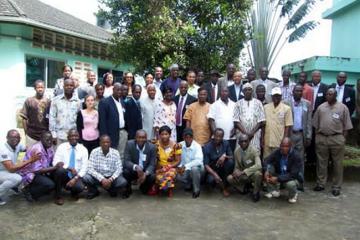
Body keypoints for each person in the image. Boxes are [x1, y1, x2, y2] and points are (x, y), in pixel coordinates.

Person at [312, 88, 353, 196]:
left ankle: (336, 186)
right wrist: (317, 137)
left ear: (335, 95)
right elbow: (315, 124)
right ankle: (321, 183)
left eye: (331, 94)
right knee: (321, 163)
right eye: (327, 94)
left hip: (336, 139)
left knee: (337, 164)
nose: (328, 96)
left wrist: (342, 139)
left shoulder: (343, 108)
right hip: (322, 138)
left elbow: (347, 127)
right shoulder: (321, 107)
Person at [0, 130, 39, 205]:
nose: (15, 139)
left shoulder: (18, 145)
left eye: (17, 137)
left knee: (25, 170)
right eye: (12, 137)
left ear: (20, 139)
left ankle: (14, 186)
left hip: (9, 171)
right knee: (17, 178)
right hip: (2, 172)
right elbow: (11, 169)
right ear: (7, 138)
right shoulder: (2, 150)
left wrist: (36, 150)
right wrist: (30, 160)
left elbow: (26, 149)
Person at [285, 84, 312, 190]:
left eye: (301, 91)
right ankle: (287, 182)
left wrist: (309, 136)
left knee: (300, 159)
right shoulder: (286, 103)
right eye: (297, 91)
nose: (299, 93)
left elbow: (309, 121)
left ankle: (300, 182)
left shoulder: (307, 104)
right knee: (288, 159)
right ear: (293, 91)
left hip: (301, 135)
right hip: (289, 135)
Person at [84, 135, 128, 199]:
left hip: (111, 177)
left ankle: (110, 188)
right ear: (100, 143)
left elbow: (119, 168)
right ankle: (94, 191)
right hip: (98, 177)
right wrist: (102, 179)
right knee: (86, 177)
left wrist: (110, 179)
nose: (105, 144)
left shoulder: (115, 152)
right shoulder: (94, 152)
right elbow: (90, 168)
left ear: (110, 143)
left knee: (122, 182)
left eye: (107, 142)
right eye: (103, 142)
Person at [19, 132, 58, 203]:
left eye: (51, 139)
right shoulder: (37, 149)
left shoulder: (49, 147)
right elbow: (37, 170)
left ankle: (41, 189)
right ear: (41, 139)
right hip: (30, 173)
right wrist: (55, 167)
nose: (49, 142)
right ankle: (29, 191)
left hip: (43, 170)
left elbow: (52, 160)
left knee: (57, 175)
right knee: (50, 185)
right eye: (47, 140)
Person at [52, 129, 88, 204]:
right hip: (64, 174)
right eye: (71, 136)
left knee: (80, 187)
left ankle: (73, 192)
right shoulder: (61, 147)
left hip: (75, 176)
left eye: (75, 136)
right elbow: (55, 162)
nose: (74, 138)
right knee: (60, 170)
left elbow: (84, 168)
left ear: (78, 137)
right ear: (68, 137)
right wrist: (69, 168)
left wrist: (75, 179)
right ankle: (58, 196)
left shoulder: (83, 149)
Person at [264, 137, 302, 203]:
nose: (284, 148)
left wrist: (277, 178)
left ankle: (293, 195)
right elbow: (267, 160)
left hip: (292, 178)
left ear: (290, 146)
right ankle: (275, 190)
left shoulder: (296, 156)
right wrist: (266, 170)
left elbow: (293, 174)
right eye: (282, 146)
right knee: (269, 169)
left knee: (290, 184)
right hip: (280, 174)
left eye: (286, 146)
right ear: (280, 146)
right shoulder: (277, 152)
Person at [227, 134, 262, 202]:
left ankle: (256, 192)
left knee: (258, 174)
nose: (244, 143)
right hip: (243, 175)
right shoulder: (237, 151)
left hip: (252, 173)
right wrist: (236, 172)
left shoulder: (254, 150)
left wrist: (243, 172)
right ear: (239, 142)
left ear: (249, 141)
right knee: (229, 178)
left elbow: (258, 165)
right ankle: (243, 188)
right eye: (242, 141)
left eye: (246, 141)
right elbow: (237, 166)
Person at [98, 83, 128, 160]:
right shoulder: (105, 102)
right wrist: (104, 136)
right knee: (110, 155)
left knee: (121, 155)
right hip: (110, 134)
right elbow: (102, 122)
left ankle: (119, 171)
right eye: (117, 90)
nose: (119, 92)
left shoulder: (122, 101)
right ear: (113, 89)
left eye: (121, 90)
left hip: (122, 132)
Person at [233, 83, 265, 151]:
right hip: (241, 134)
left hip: (254, 135)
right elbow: (236, 121)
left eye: (249, 89)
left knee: (254, 153)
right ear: (243, 92)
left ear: (252, 91)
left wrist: (251, 133)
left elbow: (261, 121)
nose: (247, 91)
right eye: (245, 90)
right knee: (240, 153)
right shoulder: (237, 104)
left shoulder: (258, 103)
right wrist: (245, 133)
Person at [123, 130, 156, 196]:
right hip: (134, 170)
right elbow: (126, 161)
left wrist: (145, 174)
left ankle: (143, 187)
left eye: (143, 137)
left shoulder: (152, 147)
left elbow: (152, 164)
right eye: (139, 137)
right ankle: (128, 189)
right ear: (135, 137)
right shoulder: (129, 144)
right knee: (125, 171)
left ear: (146, 138)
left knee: (153, 176)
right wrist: (136, 167)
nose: (141, 139)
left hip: (145, 171)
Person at [49, 78, 81, 146]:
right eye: (67, 85)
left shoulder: (78, 102)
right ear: (63, 87)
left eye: (71, 85)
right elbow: (52, 117)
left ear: (74, 87)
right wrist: (53, 134)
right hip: (58, 136)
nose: (69, 87)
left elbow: (79, 120)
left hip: (73, 137)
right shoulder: (56, 100)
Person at [203, 128, 234, 197]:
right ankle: (214, 183)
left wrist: (225, 156)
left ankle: (224, 185)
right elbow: (206, 165)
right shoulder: (207, 147)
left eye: (220, 136)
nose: (218, 138)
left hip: (222, 168)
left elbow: (232, 156)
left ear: (223, 137)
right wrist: (214, 174)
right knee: (210, 181)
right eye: (216, 136)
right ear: (213, 135)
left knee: (230, 162)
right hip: (212, 169)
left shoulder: (226, 143)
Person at [263, 87, 293, 158]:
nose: (276, 97)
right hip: (267, 140)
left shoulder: (287, 108)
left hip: (279, 141)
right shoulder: (266, 107)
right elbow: (263, 125)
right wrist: (262, 139)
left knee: (277, 162)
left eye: (278, 96)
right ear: (271, 96)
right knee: (267, 161)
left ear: (281, 96)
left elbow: (287, 126)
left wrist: (285, 141)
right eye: (274, 96)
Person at [20, 80, 51, 148]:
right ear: (35, 88)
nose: (40, 89)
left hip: (45, 135)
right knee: (31, 155)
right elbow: (24, 118)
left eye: (42, 87)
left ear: (44, 88)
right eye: (38, 87)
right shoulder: (29, 101)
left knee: (44, 156)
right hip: (31, 135)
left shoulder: (49, 102)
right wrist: (26, 133)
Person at [154, 126, 182, 197]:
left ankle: (169, 189)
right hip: (159, 167)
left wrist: (169, 166)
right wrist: (159, 168)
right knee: (159, 177)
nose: (164, 136)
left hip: (171, 167)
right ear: (159, 135)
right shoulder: (155, 145)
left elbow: (178, 160)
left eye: (166, 134)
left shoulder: (176, 145)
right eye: (162, 134)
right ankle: (162, 187)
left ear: (170, 135)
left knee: (169, 175)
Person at [177, 128, 204, 198]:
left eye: (190, 137)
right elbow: (177, 158)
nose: (188, 138)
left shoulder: (197, 146)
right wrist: (180, 167)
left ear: (193, 137)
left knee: (194, 169)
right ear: (183, 137)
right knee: (177, 174)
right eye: (186, 136)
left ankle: (196, 190)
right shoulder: (179, 145)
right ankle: (189, 183)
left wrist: (185, 166)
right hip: (185, 169)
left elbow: (198, 161)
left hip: (198, 169)